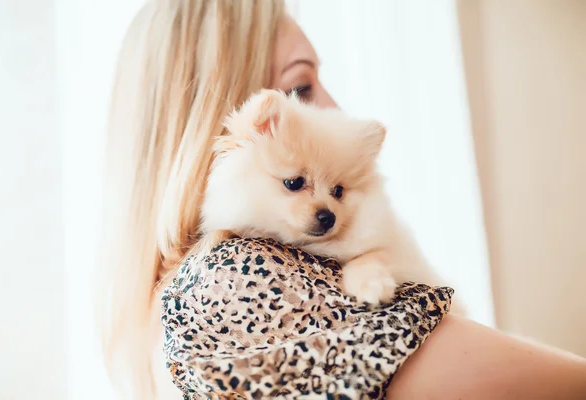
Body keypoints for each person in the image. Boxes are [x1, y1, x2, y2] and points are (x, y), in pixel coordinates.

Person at [99, 1, 586, 399]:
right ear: (230, 114)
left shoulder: (196, 290)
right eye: (301, 87)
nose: (332, 109)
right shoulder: (231, 280)